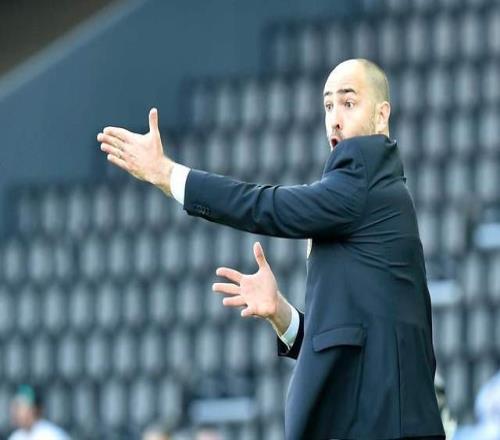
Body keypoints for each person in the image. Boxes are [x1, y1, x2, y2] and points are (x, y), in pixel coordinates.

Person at [97, 58, 445, 439]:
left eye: (348, 102)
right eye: (328, 105)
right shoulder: (374, 198)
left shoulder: (362, 173)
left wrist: (168, 174)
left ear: (381, 115)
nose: (334, 119)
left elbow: (265, 206)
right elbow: (345, 340)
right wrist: (281, 314)